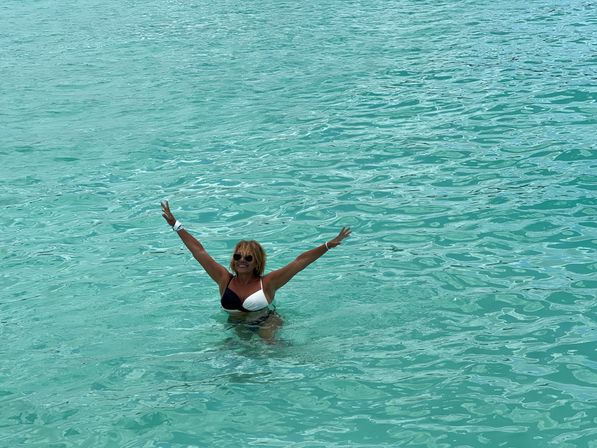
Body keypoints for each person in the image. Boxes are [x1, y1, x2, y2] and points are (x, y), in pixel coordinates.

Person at [160, 200, 351, 340]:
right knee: (230, 360)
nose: (242, 260)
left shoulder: (268, 283)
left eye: (248, 258)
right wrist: (176, 226)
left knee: (269, 350)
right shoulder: (223, 279)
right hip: (236, 325)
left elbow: (299, 262)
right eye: (237, 256)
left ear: (256, 261)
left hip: (267, 321)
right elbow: (199, 251)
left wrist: (327, 245)